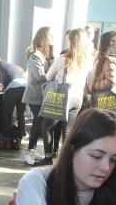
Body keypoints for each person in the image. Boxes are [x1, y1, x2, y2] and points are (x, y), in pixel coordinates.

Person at [36, 28, 93, 164]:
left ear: (71, 41)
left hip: (60, 95)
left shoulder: (63, 58)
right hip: (77, 97)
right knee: (67, 130)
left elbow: (48, 76)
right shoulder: (87, 60)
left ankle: (48, 157)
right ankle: (66, 160)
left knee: (47, 126)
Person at [22, 26, 54, 165]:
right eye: (51, 37)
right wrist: (53, 73)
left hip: (41, 95)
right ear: (45, 38)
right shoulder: (35, 56)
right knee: (39, 121)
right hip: (35, 95)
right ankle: (29, 150)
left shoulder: (44, 56)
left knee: (39, 122)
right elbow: (40, 76)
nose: (53, 40)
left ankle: (31, 150)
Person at [0, 54, 28, 144]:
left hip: (13, 87)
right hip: (24, 85)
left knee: (7, 114)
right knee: (21, 113)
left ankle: (6, 137)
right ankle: (20, 135)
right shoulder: (9, 64)